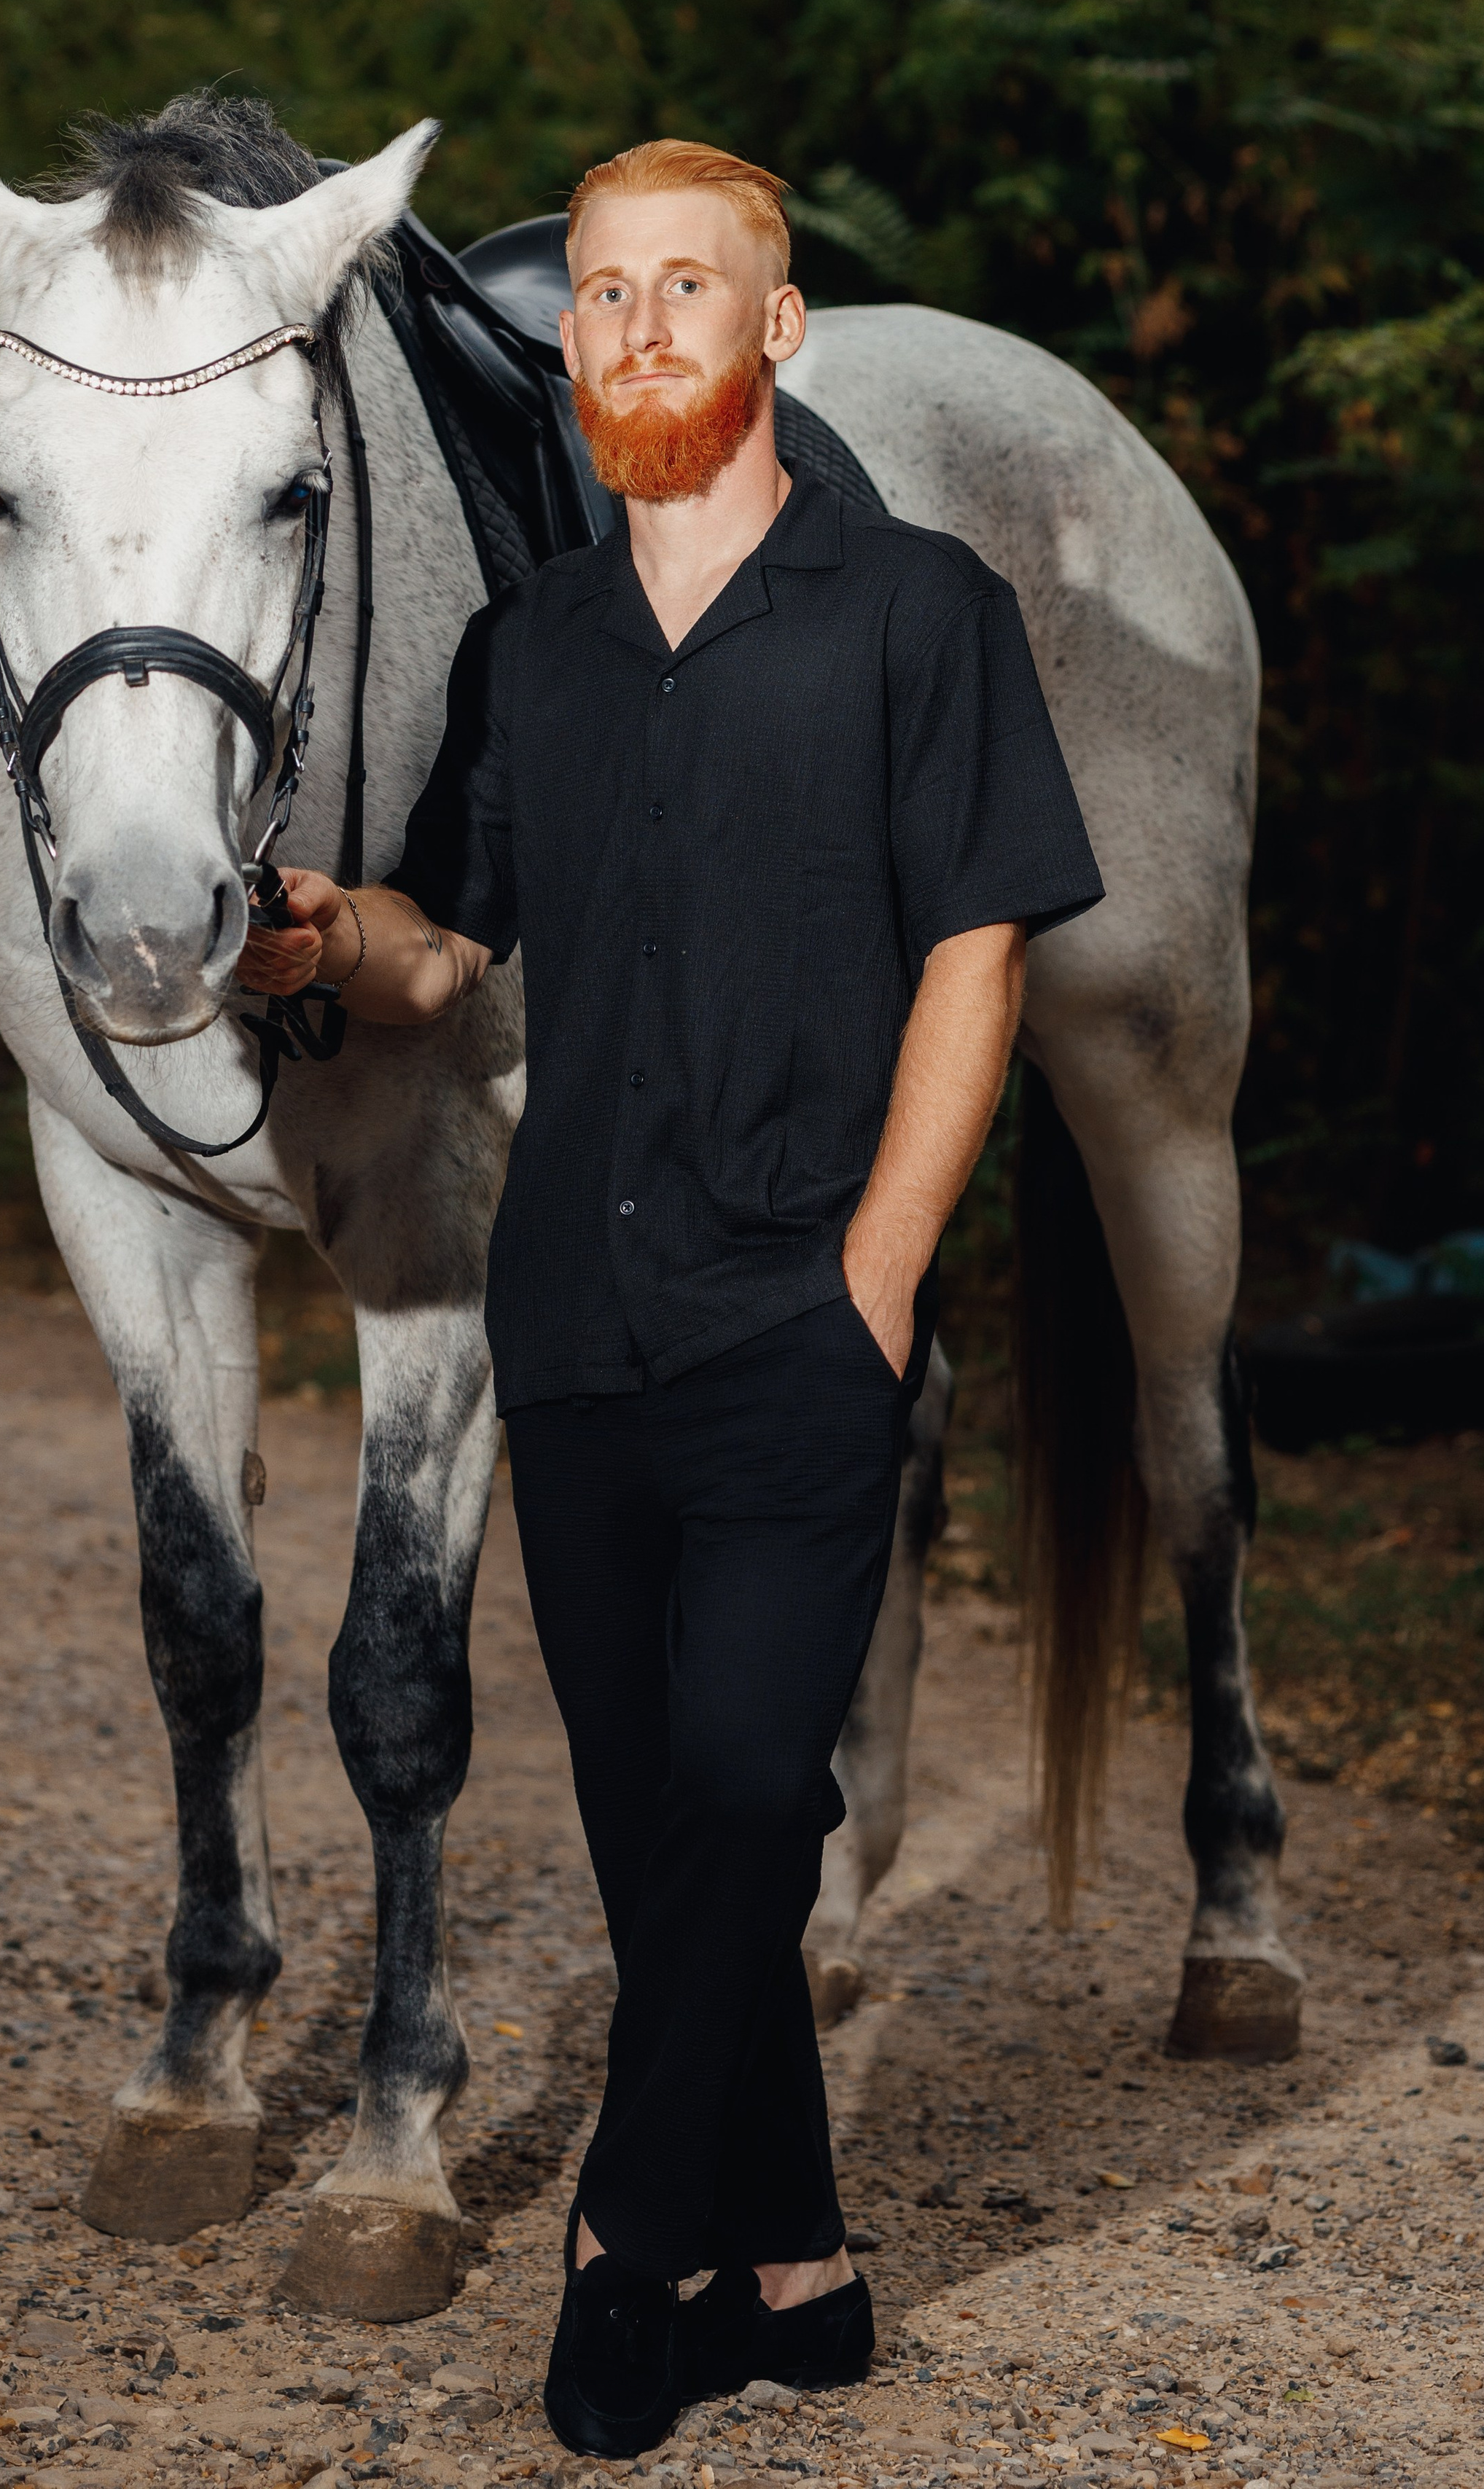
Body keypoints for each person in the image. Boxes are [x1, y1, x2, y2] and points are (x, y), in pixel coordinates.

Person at [238, 140, 1103, 2457]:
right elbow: (459, 946)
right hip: (578, 1334)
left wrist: (884, 1274)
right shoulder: (538, 647)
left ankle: (635, 2243)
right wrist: (338, 939)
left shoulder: (917, 611)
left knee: (744, 1775)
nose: (629, 328)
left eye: (683, 289)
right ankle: (801, 2272)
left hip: (800, 1319)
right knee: (665, 1830)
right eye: (599, 292)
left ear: (775, 330)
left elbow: (979, 946)